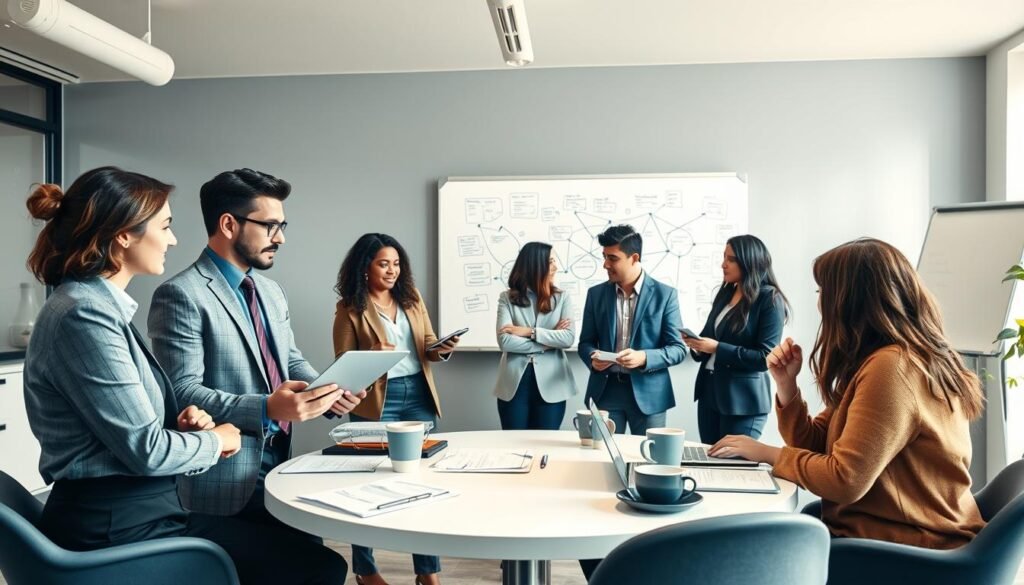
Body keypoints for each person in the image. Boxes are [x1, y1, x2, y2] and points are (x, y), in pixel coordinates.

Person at [23, 167, 347, 584]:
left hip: (145, 510)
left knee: (311, 559)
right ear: (124, 234)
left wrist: (181, 423)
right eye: (166, 226)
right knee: (316, 569)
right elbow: (145, 448)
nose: (174, 239)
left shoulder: (96, 309)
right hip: (119, 526)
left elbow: (128, 424)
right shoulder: (85, 315)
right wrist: (218, 439)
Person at [148, 169, 362, 572]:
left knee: (317, 566)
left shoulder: (269, 290)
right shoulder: (181, 294)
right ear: (228, 224)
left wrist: (327, 389)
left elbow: (289, 359)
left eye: (282, 225)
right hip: (224, 479)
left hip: (281, 468)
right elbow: (181, 392)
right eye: (270, 225)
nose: (280, 237)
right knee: (314, 570)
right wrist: (267, 408)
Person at [709, 238, 986, 549]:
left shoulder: (892, 368)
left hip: (908, 548)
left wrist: (765, 453)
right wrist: (787, 386)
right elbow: (815, 445)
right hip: (887, 535)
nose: (819, 302)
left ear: (850, 300)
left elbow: (845, 481)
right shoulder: (885, 360)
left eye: (822, 291)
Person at [333, 232, 458, 585]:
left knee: (423, 480)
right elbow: (343, 363)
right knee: (367, 482)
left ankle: (428, 572)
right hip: (376, 400)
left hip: (418, 394)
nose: (392, 271)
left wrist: (443, 348)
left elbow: (429, 345)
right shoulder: (349, 308)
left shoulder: (412, 298)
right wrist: (373, 356)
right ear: (365, 268)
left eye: (397, 264)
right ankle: (365, 569)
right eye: (383, 264)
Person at [577, 224, 687, 436]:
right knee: (603, 458)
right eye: (604, 257)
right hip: (606, 391)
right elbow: (585, 343)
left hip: (650, 394)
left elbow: (678, 349)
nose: (605, 264)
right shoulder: (596, 295)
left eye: (613, 258)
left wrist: (644, 357)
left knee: (649, 460)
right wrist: (592, 358)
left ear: (634, 258)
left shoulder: (665, 295)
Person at [685, 234, 790, 444]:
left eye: (731, 259)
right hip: (710, 394)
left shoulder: (769, 299)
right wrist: (697, 346)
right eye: (724, 257)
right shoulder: (724, 294)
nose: (723, 264)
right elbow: (709, 336)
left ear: (749, 261)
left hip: (743, 402)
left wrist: (717, 348)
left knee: (734, 469)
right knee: (710, 464)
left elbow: (765, 358)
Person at [494, 242, 577, 430]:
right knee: (515, 444)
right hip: (514, 384)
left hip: (552, 383)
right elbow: (505, 342)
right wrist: (548, 343)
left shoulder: (562, 298)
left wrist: (528, 332)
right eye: (551, 262)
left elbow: (568, 338)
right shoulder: (506, 298)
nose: (556, 267)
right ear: (535, 265)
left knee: (546, 444)